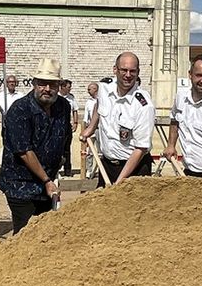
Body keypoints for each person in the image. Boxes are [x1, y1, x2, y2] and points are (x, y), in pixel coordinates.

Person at [0, 59, 72, 233]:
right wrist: (46, 180)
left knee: (45, 235)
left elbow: (65, 136)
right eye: (42, 84)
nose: (47, 89)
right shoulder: (20, 109)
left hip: (47, 185)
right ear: (34, 84)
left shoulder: (63, 106)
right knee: (26, 235)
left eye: (52, 85)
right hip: (21, 185)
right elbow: (24, 151)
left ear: (59, 86)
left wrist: (62, 162)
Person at [79, 52, 155, 186]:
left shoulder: (143, 105)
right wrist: (90, 128)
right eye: (124, 70)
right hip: (107, 165)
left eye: (132, 71)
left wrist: (119, 182)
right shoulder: (105, 88)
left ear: (138, 72)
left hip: (134, 169)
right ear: (115, 69)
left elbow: (141, 148)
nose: (128, 75)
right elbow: (99, 104)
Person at [58, 79, 79, 176]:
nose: (70, 88)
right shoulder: (56, 97)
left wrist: (75, 123)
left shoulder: (71, 98)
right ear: (62, 87)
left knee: (67, 149)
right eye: (68, 86)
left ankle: (67, 170)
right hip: (57, 126)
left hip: (67, 126)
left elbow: (75, 110)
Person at [82, 82, 99, 178]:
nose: (88, 91)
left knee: (101, 151)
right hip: (90, 129)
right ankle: (89, 170)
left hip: (100, 129)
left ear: (95, 89)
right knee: (89, 151)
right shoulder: (88, 102)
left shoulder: (102, 101)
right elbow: (85, 117)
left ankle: (101, 170)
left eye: (89, 89)